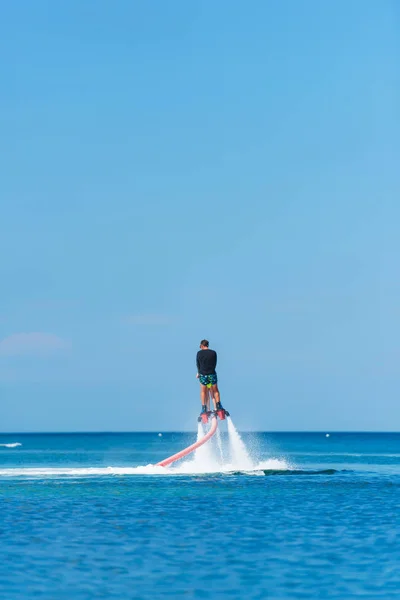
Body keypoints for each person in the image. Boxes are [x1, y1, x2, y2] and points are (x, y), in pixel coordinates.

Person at [196, 339, 223, 414]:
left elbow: (198, 365)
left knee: (203, 391)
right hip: (212, 374)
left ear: (201, 345)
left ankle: (204, 408)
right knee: (215, 391)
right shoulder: (213, 353)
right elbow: (215, 364)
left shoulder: (199, 353)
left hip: (203, 375)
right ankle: (218, 406)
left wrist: (199, 372)